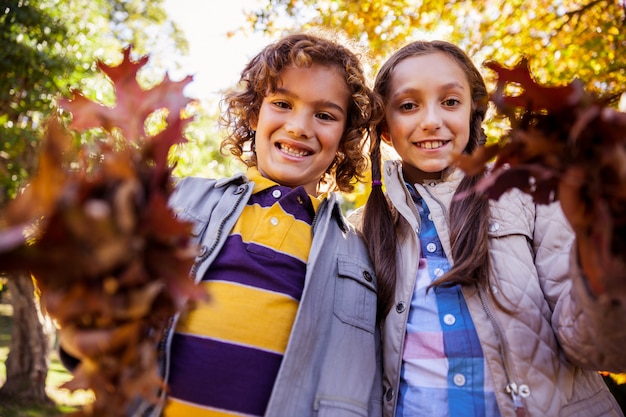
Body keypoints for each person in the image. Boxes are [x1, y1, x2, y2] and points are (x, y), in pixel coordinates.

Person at [60, 31, 383, 417]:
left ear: (345, 135)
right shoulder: (175, 201)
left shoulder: (357, 252)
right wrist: (81, 338)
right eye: (282, 103)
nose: (299, 126)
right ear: (253, 114)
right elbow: (92, 330)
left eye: (325, 115)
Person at [351, 39, 626, 417]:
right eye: (409, 105)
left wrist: (606, 275)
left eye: (450, 102)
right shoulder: (361, 231)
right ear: (384, 127)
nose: (431, 120)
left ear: (473, 113)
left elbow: (599, 347)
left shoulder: (530, 194)